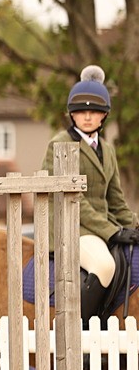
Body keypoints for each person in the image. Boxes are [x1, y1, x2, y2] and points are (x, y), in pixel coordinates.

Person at [43, 65, 139, 326]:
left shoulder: (107, 150)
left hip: (98, 229)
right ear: (71, 115)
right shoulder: (60, 144)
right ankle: (76, 333)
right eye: (80, 112)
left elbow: (116, 200)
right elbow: (76, 202)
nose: (87, 117)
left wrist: (134, 224)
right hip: (71, 227)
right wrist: (113, 231)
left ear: (104, 115)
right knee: (104, 265)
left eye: (93, 112)